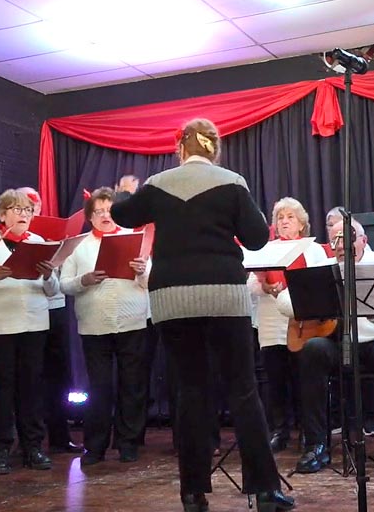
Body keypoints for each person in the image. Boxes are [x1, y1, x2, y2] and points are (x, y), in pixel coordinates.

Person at [111, 118, 293, 512]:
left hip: (172, 300)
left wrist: (127, 194)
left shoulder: (158, 183)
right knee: (243, 391)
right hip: (223, 295)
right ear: (215, 148)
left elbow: (123, 215)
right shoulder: (231, 181)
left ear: (180, 149)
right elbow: (258, 238)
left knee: (190, 392)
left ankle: (192, 494)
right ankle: (263, 490)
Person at [281, 219, 374, 477]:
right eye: (335, 239)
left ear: (363, 240)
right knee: (312, 349)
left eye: (348, 237)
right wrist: (312, 304)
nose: (342, 245)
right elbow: (283, 301)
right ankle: (316, 446)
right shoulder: (323, 266)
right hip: (339, 343)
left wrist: (367, 308)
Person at [0, 189, 58, 474]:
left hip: (34, 323)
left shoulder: (38, 242)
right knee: (3, 387)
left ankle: (33, 447)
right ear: (2, 214)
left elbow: (53, 290)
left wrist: (47, 274)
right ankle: (1, 448)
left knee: (31, 387)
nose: (23, 215)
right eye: (17, 210)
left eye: (28, 211)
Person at [60, 187, 151, 466]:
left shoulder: (135, 240)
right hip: (94, 325)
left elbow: (151, 282)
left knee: (132, 385)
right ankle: (95, 446)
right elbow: (64, 284)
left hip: (132, 321)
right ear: (90, 217)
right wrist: (84, 280)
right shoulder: (78, 245)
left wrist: (142, 270)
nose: (104, 215)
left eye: (109, 209)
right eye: (98, 211)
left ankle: (128, 443)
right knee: (99, 387)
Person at [248, 197, 327, 452]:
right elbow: (251, 286)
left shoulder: (311, 249)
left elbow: (320, 283)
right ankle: (279, 430)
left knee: (305, 378)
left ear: (302, 223)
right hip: (271, 323)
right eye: (280, 218)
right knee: (275, 379)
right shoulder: (266, 249)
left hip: (304, 324)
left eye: (290, 217)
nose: (284, 221)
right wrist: (265, 286)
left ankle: (309, 431)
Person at [17, 186, 80, 454]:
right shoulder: (16, 234)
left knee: (59, 374)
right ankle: (27, 439)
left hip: (55, 305)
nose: (33, 207)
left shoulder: (47, 232)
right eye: (26, 204)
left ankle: (59, 434)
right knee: (28, 375)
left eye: (35, 203)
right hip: (27, 310)